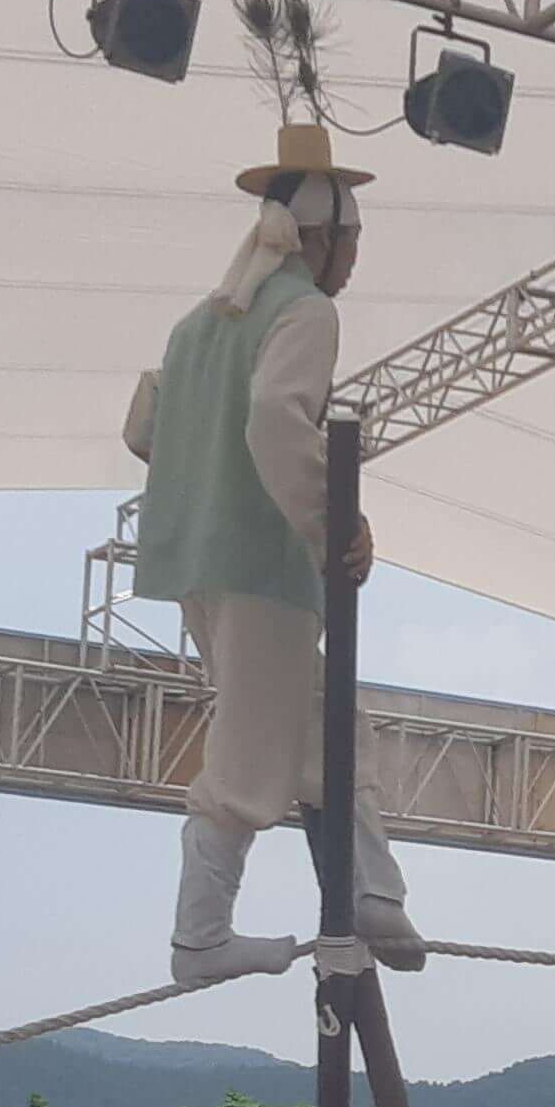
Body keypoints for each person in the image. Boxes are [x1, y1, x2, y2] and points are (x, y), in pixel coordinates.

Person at [118, 116, 415, 979]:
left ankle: (373, 892)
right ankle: (199, 938)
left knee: (325, 721)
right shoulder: (306, 312)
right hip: (261, 562)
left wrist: (200, 485)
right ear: (320, 237)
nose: (354, 263)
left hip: (197, 556)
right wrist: (335, 523)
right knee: (250, 755)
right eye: (352, 243)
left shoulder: (199, 324)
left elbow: (147, 430)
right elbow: (274, 422)